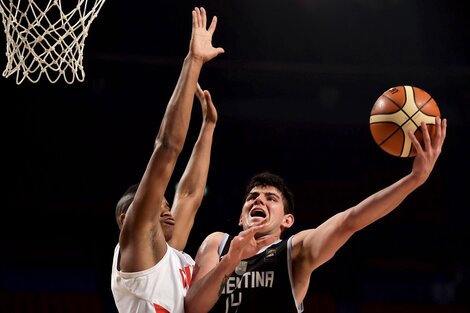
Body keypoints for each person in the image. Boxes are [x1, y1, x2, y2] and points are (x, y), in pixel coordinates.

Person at [184, 117, 447, 313]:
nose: (259, 200)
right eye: (253, 197)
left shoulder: (294, 250)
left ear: (287, 220)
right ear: (241, 217)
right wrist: (229, 261)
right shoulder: (217, 244)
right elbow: (194, 307)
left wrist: (414, 180)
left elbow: (349, 221)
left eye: (271, 198)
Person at [111, 7, 224, 313]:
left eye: (165, 205)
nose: (168, 211)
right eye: (158, 208)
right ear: (127, 220)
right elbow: (167, 147)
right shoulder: (136, 243)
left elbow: (188, 195)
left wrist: (208, 128)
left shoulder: (170, 255)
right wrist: (194, 62)